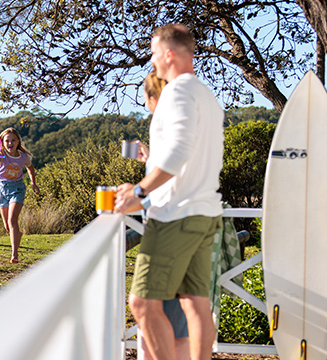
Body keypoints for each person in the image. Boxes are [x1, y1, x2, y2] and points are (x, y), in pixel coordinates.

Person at [115, 24, 224, 360]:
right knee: (196, 304)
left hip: (176, 214)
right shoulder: (206, 95)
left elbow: (179, 151)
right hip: (205, 213)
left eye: (152, 52)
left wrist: (139, 191)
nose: (152, 60)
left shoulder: (176, 91)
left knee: (143, 304)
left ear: (169, 54)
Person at [135, 71, 190, 360]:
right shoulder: (176, 129)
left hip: (169, 233)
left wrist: (134, 195)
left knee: (148, 311)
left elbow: (170, 179)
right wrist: (148, 159)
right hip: (175, 231)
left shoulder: (170, 129)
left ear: (152, 97)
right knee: (170, 319)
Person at [0, 127, 39, 263]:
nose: (10, 143)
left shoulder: (23, 157)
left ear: (18, 142)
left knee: (12, 220)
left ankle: (14, 255)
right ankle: (17, 234)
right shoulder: (0, 154)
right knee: (7, 226)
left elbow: (30, 168)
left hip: (17, 189)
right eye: (7, 141)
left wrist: (33, 183)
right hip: (1, 189)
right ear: (2, 142)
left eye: (13, 140)